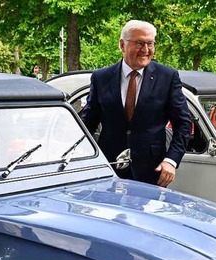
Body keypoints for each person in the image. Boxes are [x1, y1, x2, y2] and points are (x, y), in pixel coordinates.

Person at [80, 20, 192, 187]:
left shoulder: (167, 77)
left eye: (150, 43)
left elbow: (183, 123)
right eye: (139, 43)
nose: (145, 50)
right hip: (109, 168)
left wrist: (171, 160)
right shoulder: (101, 78)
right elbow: (88, 122)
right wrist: (79, 156)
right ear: (122, 45)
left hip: (152, 170)